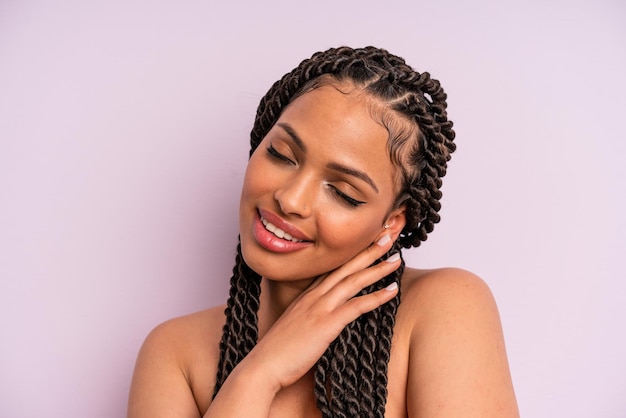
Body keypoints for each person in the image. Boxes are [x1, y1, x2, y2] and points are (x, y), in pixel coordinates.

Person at [127, 46, 519, 417]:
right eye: (281, 155)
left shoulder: (443, 307)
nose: (291, 199)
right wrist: (260, 373)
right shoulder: (175, 353)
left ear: (392, 221)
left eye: (344, 192)